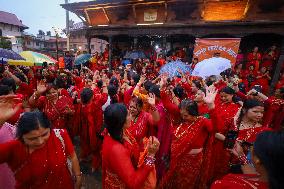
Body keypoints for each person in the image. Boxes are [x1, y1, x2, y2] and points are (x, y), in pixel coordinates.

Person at [0, 100, 81, 189]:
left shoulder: (60, 135)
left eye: (45, 134)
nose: (40, 141)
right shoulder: (14, 148)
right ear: (21, 136)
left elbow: (72, 156)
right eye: (32, 138)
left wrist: (77, 175)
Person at [160, 85, 222, 189]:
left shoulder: (202, 122)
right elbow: (167, 104)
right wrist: (162, 89)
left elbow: (217, 127)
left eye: (186, 116)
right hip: (176, 160)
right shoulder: (181, 116)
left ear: (194, 113)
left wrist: (211, 106)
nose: (184, 118)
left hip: (192, 162)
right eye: (182, 115)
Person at [102, 103, 160, 189]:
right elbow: (133, 183)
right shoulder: (117, 149)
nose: (131, 116)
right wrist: (151, 156)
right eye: (128, 114)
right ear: (121, 122)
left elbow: (156, 120)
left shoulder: (119, 131)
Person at [211, 130, 284, 189]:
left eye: (253, 145)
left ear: (258, 159)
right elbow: (253, 174)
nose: (250, 147)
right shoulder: (269, 178)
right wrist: (241, 156)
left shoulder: (227, 186)